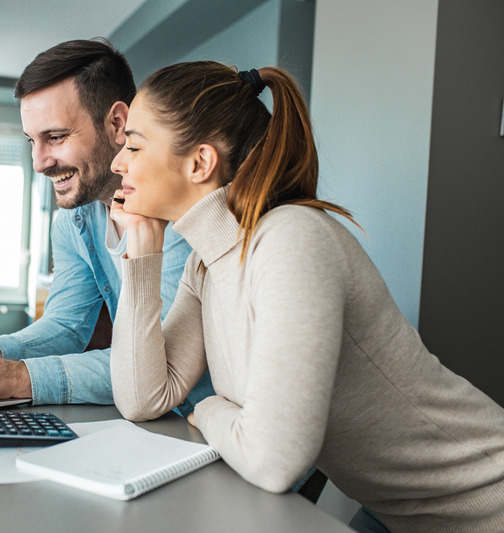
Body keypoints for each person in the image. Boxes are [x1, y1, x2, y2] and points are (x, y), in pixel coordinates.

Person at [108, 61, 504, 532]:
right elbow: (143, 397)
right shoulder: (205, 263)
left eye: (133, 145)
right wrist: (141, 255)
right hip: (399, 515)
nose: (118, 163)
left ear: (199, 163)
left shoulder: (290, 239)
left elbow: (274, 461)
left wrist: (208, 408)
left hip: (484, 506)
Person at [0, 39, 213, 414]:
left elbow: (157, 370)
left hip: (198, 432)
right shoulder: (74, 221)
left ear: (117, 123)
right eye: (32, 140)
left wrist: (14, 376)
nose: (39, 163)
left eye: (55, 137)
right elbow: (66, 326)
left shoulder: (182, 215)